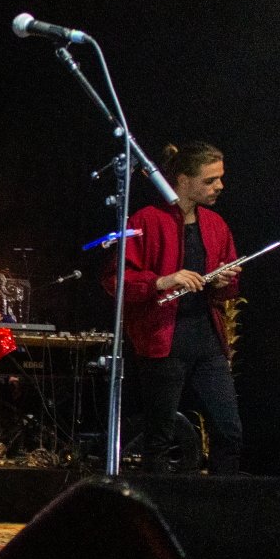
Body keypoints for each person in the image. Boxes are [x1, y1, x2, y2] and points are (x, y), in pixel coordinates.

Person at [102, 141, 242, 474]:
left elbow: (228, 286)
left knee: (228, 429)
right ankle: (158, 511)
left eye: (219, 178)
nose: (219, 186)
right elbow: (115, 279)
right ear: (181, 180)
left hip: (207, 342)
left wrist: (225, 282)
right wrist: (162, 281)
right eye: (210, 180)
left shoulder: (216, 224)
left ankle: (224, 508)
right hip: (163, 341)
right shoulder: (145, 220)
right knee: (160, 437)